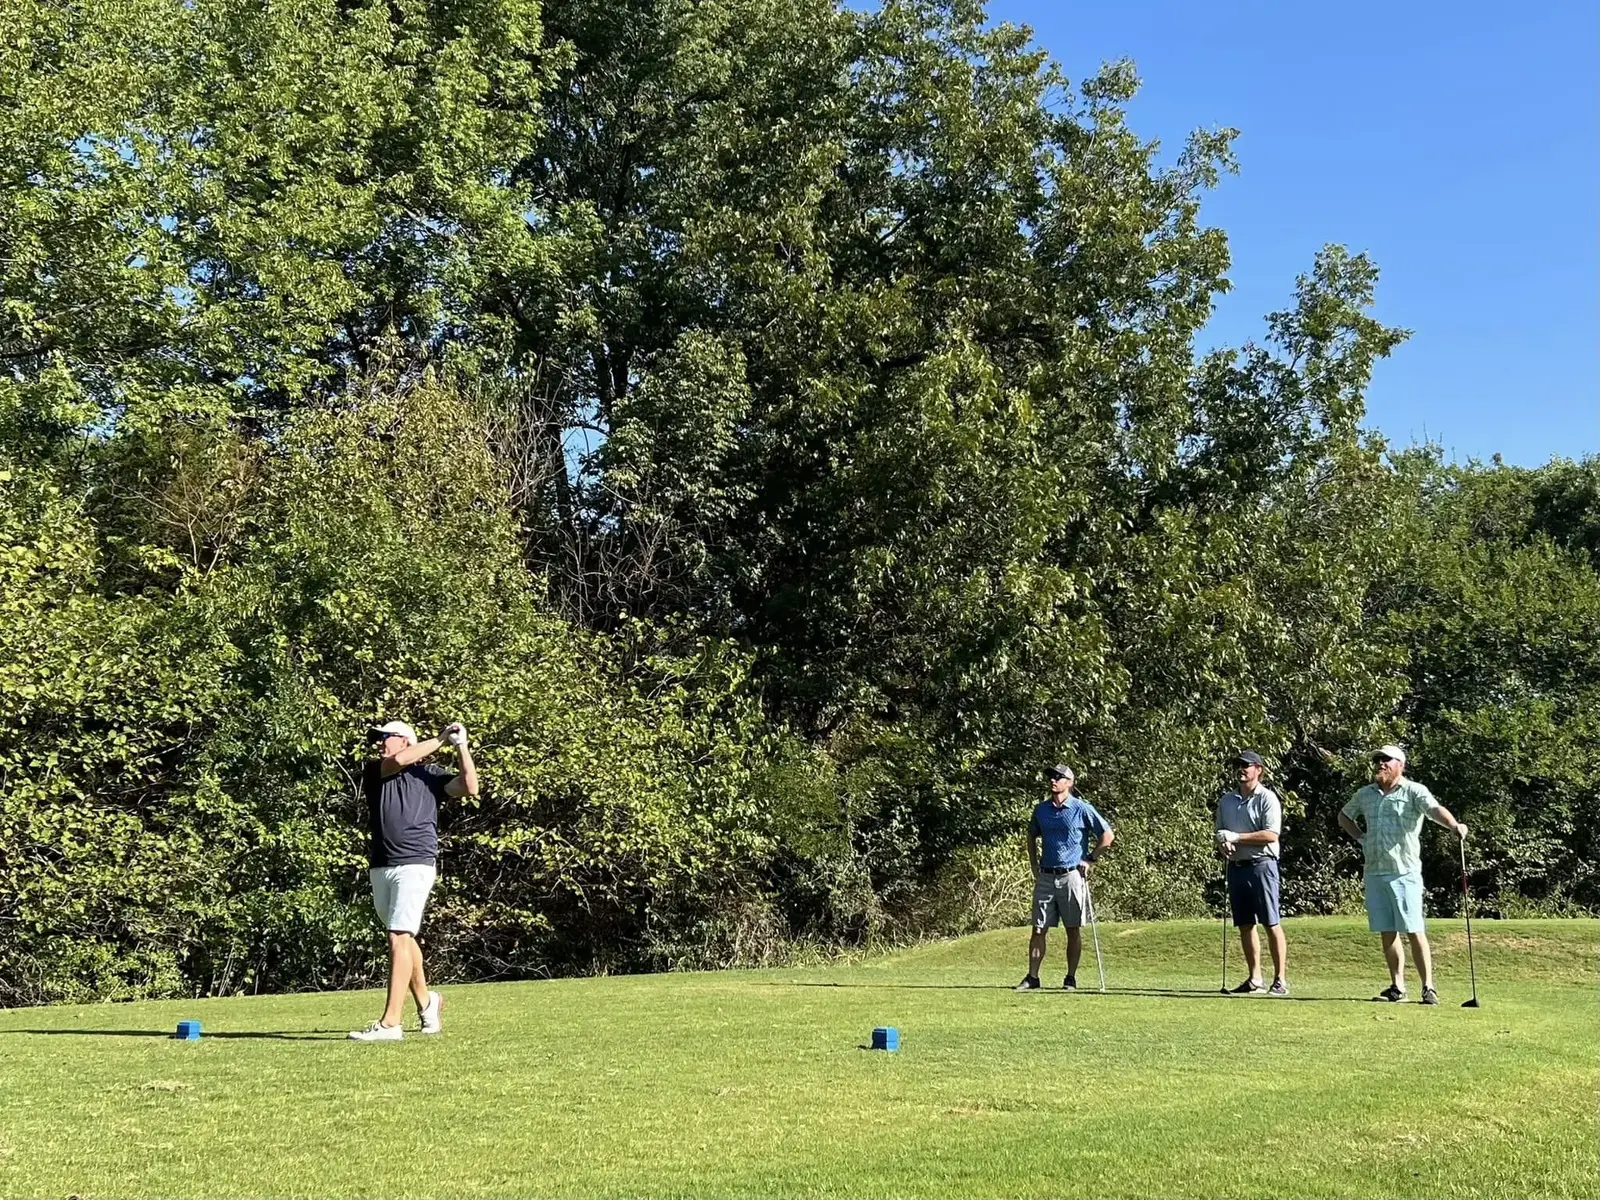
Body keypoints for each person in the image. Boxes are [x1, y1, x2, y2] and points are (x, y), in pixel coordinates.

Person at [349, 718, 479, 1041]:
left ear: (405, 739)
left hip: (416, 864)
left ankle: (390, 1023)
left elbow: (469, 786)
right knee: (403, 940)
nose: (380, 743)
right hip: (381, 866)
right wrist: (441, 739)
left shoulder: (431, 776)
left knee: (398, 936)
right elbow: (399, 761)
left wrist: (461, 747)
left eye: (386, 737)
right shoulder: (376, 770)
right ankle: (427, 1003)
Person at [1338, 744, 1467, 1005]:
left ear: (1401, 765)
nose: (1381, 764)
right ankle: (1397, 986)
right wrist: (1361, 838)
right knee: (1387, 931)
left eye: (1387, 760)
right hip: (1374, 871)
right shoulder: (1366, 794)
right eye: (1378, 760)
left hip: (1404, 872)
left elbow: (1434, 810)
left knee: (1413, 929)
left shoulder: (1413, 791)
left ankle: (1428, 987)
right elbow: (1344, 816)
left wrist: (1453, 825)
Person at [1015, 764, 1114, 992]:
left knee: (1073, 929)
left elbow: (1107, 836)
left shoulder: (1081, 808)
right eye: (1052, 777)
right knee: (1038, 928)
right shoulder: (1041, 810)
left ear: (1070, 782)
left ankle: (1070, 977)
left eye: (1059, 777)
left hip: (1072, 875)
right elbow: (1031, 835)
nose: (1054, 780)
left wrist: (1090, 859)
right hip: (1046, 875)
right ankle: (1033, 977)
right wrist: (1033, 862)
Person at [1216, 750, 1288, 996]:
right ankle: (1255, 978)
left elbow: (1270, 835)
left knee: (1271, 922)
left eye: (1246, 765)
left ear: (1259, 769)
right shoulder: (1226, 801)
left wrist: (1236, 837)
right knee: (1246, 925)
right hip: (1237, 868)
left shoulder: (1267, 798)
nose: (1241, 769)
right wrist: (1223, 843)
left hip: (1262, 866)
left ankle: (1280, 980)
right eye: (1239, 765)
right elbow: (1221, 832)